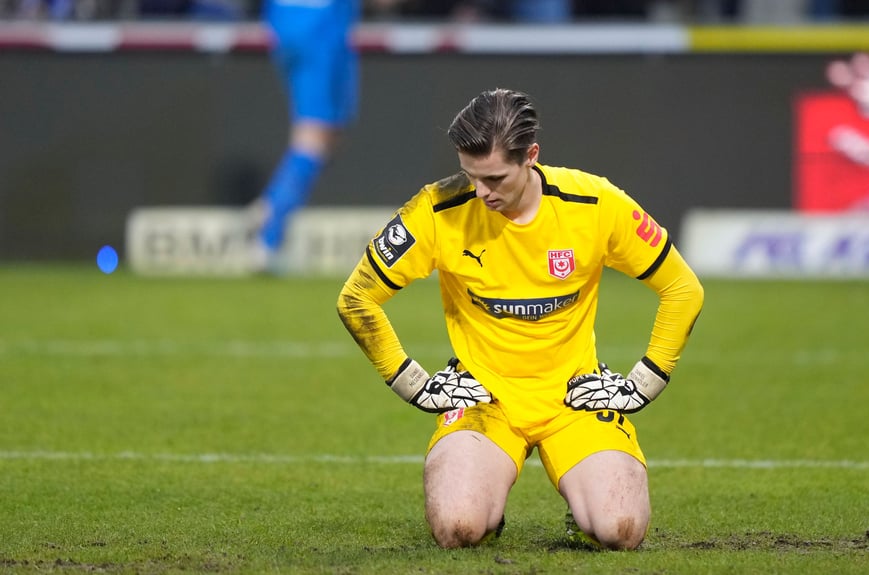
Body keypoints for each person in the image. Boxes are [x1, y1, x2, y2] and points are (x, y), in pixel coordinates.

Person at [336, 88, 704, 550]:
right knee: (458, 529)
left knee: (620, 530)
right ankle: (486, 511)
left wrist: (643, 383)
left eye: (494, 178)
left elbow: (683, 288)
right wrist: (413, 383)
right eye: (470, 176)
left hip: (575, 397)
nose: (480, 192)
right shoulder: (437, 209)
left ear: (531, 156)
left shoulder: (595, 203)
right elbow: (356, 298)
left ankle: (584, 509)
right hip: (482, 400)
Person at [250, 0, 359, 271]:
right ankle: (268, 236)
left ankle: (270, 205)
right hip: (319, 26)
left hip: (283, 22)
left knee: (328, 134)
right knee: (315, 136)